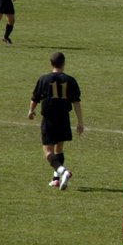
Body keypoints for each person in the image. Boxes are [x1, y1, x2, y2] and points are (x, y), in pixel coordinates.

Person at [28, 51, 84, 189]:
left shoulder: (43, 79)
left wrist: (30, 111)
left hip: (49, 119)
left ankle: (62, 171)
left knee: (48, 151)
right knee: (59, 149)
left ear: (51, 63)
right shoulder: (70, 80)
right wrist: (80, 122)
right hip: (64, 118)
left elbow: (35, 98)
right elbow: (76, 102)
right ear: (64, 63)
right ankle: (55, 179)